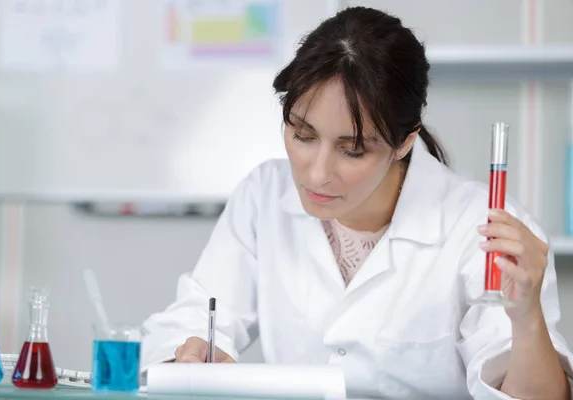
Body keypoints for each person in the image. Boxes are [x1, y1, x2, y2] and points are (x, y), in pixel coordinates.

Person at [141, 6, 573, 399]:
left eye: (353, 150)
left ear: (404, 142)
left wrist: (527, 317)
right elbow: (193, 318)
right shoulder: (263, 196)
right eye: (302, 135)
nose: (316, 174)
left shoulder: (481, 227)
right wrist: (193, 354)